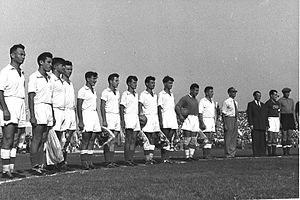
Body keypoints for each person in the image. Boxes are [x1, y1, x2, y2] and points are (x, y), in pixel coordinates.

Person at [0, 44, 26, 179]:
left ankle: (11, 168)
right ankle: (5, 170)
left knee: (16, 139)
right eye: (20, 54)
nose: (23, 57)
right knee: (8, 137)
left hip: (20, 104)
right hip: (10, 104)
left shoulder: (21, 73)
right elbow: (0, 91)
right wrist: (5, 109)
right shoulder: (5, 71)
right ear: (12, 55)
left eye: (24, 54)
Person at [28, 52, 54, 175]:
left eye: (51, 62)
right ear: (41, 62)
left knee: (43, 139)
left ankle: (41, 164)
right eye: (48, 62)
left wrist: (52, 115)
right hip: (39, 107)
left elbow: (51, 98)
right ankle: (34, 165)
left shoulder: (49, 78)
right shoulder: (34, 77)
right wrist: (32, 115)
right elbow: (31, 97)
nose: (50, 65)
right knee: (37, 138)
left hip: (48, 108)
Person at [77, 71, 101, 169]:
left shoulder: (93, 91)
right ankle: (84, 161)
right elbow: (79, 106)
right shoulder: (82, 90)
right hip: (86, 114)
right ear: (87, 79)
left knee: (92, 139)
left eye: (95, 79)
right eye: (93, 78)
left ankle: (90, 161)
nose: (94, 81)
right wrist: (81, 120)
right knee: (86, 139)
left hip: (94, 115)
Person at [48, 57, 67, 169]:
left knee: (61, 138)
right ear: (55, 67)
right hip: (55, 109)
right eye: (62, 65)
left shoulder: (61, 81)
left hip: (63, 110)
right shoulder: (51, 79)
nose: (63, 68)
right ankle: (50, 163)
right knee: (52, 138)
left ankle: (58, 161)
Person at [100, 73, 121, 168]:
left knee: (114, 140)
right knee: (108, 140)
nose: (118, 83)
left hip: (116, 116)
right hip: (109, 116)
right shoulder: (105, 92)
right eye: (116, 81)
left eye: (118, 81)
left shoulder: (117, 92)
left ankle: (112, 161)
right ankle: (107, 161)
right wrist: (104, 119)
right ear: (110, 81)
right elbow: (102, 106)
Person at [139, 76, 160, 165]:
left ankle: (151, 157)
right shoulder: (143, 94)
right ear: (147, 83)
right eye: (151, 83)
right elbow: (139, 105)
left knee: (153, 138)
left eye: (154, 83)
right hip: (147, 117)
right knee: (147, 137)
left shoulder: (155, 95)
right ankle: (147, 158)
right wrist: (140, 116)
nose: (153, 84)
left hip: (155, 118)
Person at [175, 83, 200, 161]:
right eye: (195, 90)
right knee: (187, 138)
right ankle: (187, 156)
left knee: (193, 139)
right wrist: (180, 115)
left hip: (195, 118)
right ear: (191, 90)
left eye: (198, 91)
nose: (197, 92)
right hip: (188, 118)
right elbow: (177, 106)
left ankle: (191, 155)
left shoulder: (196, 100)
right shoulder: (185, 98)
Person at [120, 75, 140, 166]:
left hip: (135, 117)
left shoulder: (136, 94)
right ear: (129, 83)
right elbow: (121, 107)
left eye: (136, 82)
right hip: (128, 117)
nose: (135, 84)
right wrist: (122, 120)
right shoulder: (125, 94)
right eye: (134, 82)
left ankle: (131, 159)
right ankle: (127, 159)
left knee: (134, 140)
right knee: (128, 139)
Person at [158, 76, 178, 163]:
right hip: (165, 116)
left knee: (170, 138)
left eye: (172, 83)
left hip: (172, 117)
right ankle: (163, 158)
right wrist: (161, 120)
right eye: (169, 83)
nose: (171, 85)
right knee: (165, 139)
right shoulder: (161, 94)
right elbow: (159, 107)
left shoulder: (172, 94)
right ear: (165, 83)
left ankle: (167, 157)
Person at [61, 60, 77, 163]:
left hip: (71, 111)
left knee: (69, 138)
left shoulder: (70, 83)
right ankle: (60, 160)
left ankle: (64, 160)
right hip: (64, 111)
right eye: (67, 69)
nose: (69, 71)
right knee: (63, 138)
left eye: (71, 69)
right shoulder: (60, 82)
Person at [246, 91, 268, 157]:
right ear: (254, 96)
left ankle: (262, 152)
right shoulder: (251, 104)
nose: (259, 97)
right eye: (257, 95)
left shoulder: (263, 105)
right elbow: (249, 114)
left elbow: (265, 115)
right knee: (256, 140)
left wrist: (267, 124)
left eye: (260, 95)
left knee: (262, 140)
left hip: (262, 125)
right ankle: (256, 153)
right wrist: (251, 124)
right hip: (255, 125)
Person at [198, 86, 217, 159]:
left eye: (212, 91)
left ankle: (209, 153)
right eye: (211, 91)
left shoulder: (212, 102)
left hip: (211, 120)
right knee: (206, 137)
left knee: (211, 138)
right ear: (206, 92)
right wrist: (201, 122)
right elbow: (200, 113)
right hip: (205, 120)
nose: (212, 93)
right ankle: (205, 154)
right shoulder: (203, 101)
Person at [278, 88, 297, 155]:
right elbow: (279, 112)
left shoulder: (291, 100)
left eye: (288, 92)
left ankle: (288, 151)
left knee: (289, 135)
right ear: (283, 93)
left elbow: (293, 111)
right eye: (286, 92)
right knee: (284, 135)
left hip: (290, 117)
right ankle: (284, 151)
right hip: (284, 117)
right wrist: (279, 122)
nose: (288, 94)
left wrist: (295, 121)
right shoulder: (280, 101)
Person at [222, 87, 238, 158]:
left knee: (234, 137)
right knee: (228, 137)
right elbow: (223, 113)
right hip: (228, 118)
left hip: (234, 119)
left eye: (235, 92)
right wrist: (225, 123)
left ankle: (232, 152)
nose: (234, 93)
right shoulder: (226, 102)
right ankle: (228, 153)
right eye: (233, 92)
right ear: (229, 93)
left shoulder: (236, 102)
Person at [265, 90, 280, 156]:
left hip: (276, 119)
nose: (276, 96)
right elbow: (265, 113)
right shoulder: (268, 103)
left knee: (275, 136)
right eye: (275, 95)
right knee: (270, 136)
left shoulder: (277, 103)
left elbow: (279, 112)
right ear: (271, 95)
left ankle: (274, 152)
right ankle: (269, 152)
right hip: (270, 118)